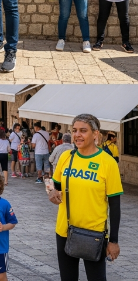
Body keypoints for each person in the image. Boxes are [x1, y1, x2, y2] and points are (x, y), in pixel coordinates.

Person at [48, 114, 122, 281]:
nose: (77, 135)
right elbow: (54, 185)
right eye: (74, 130)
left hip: (94, 233)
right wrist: (52, 192)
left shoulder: (108, 163)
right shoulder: (66, 157)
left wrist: (113, 241)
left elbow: (115, 205)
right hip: (65, 230)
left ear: (95, 134)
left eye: (83, 130)